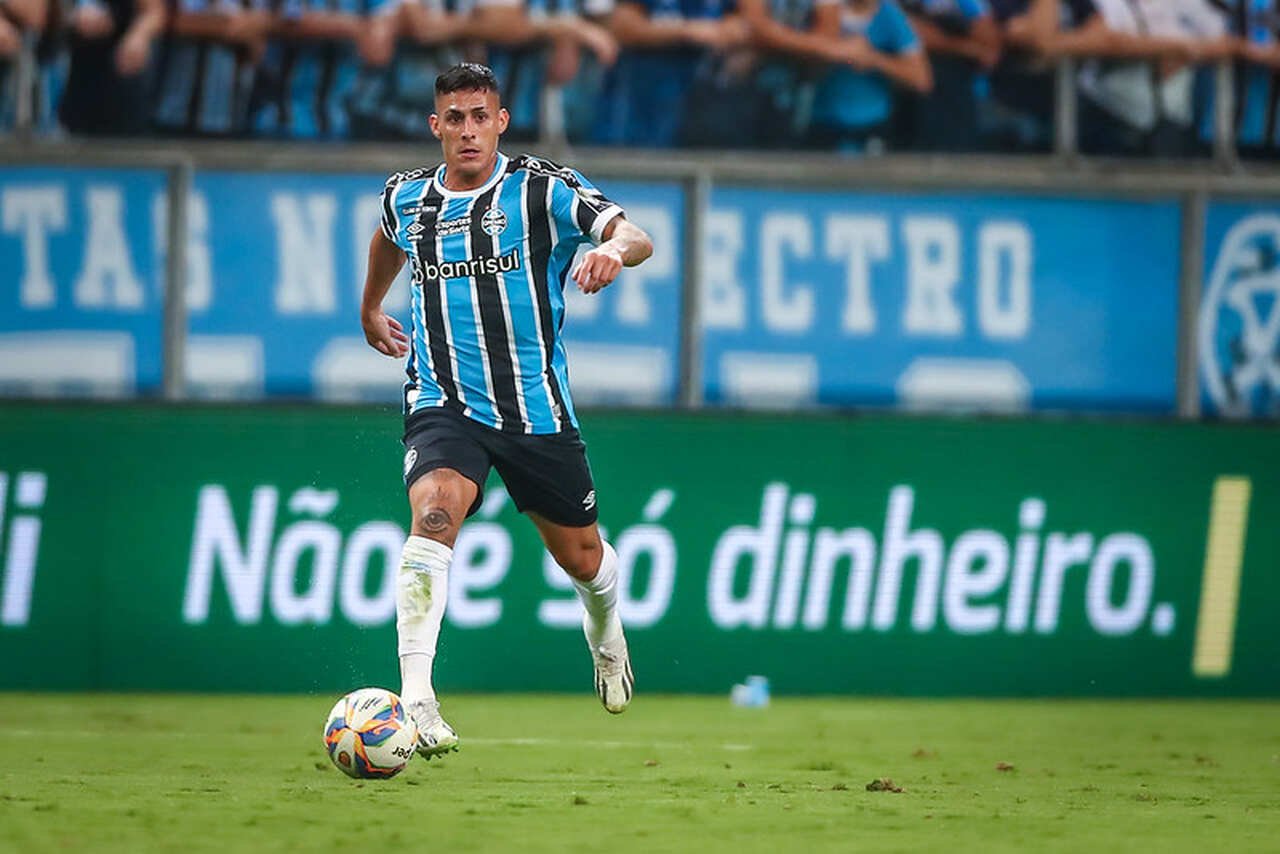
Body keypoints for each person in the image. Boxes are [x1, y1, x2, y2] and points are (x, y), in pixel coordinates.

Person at [359, 61, 653, 757]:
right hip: (442, 402)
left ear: (500, 123)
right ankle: (417, 698)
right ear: (435, 126)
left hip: (535, 413)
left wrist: (611, 250)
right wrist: (370, 305)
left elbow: (635, 235)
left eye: (478, 117)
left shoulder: (540, 190)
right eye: (453, 119)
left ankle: (605, 630)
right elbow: (386, 240)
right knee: (433, 513)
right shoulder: (408, 199)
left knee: (583, 559)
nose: (466, 131)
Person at [59, 0, 164, 135]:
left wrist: (138, 36)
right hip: (77, 77)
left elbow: (154, 12)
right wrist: (71, 18)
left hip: (121, 73)